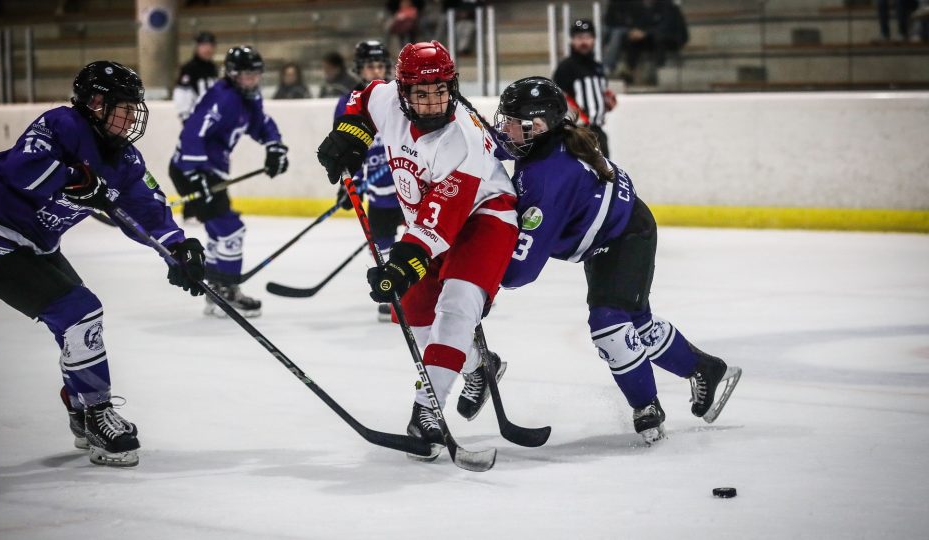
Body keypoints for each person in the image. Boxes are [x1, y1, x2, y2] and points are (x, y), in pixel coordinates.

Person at [0, 61, 206, 467]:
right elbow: (22, 167)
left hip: (36, 245)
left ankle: (81, 409)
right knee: (80, 313)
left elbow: (148, 211)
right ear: (96, 103)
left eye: (135, 108)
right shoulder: (62, 124)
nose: (132, 117)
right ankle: (96, 415)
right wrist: (72, 180)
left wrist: (179, 249)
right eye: (124, 107)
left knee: (78, 321)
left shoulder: (125, 160)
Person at [490, 76, 741, 443]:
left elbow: (519, 272)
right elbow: (501, 146)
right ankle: (706, 369)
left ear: (539, 126)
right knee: (637, 323)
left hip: (625, 238)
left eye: (512, 121)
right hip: (616, 232)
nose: (505, 128)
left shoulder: (547, 179)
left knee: (608, 322)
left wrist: (481, 274)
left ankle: (647, 406)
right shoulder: (545, 146)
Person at [316, 41, 518, 458]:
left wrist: (403, 263)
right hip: (428, 220)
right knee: (416, 314)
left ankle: (426, 412)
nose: (432, 103)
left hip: (485, 217)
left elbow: (440, 221)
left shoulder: (461, 140)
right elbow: (362, 99)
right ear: (403, 91)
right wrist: (349, 136)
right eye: (421, 94)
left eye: (441, 91)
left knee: (458, 304)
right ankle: (480, 365)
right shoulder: (385, 96)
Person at [169, 45, 289, 318]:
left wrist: (274, 146)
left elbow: (261, 123)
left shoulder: (248, 97)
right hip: (193, 170)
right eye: (245, 75)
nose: (251, 80)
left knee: (217, 230)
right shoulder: (223, 99)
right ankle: (227, 290)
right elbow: (193, 131)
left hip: (209, 172)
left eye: (255, 74)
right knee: (232, 230)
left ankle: (214, 289)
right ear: (232, 75)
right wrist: (194, 173)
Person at [333, 40, 403, 322]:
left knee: (423, 238)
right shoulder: (348, 102)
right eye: (369, 66)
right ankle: (391, 292)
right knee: (382, 242)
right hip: (379, 192)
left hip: (408, 185)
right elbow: (345, 149)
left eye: (379, 65)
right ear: (358, 69)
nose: (375, 70)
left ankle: (435, 288)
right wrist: (348, 185)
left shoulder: (399, 95)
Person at [552, 19, 616, 158]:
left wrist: (606, 102)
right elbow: (557, 101)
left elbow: (601, 94)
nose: (584, 42)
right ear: (572, 40)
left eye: (587, 37)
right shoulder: (565, 68)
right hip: (576, 134)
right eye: (579, 38)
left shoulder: (597, 67)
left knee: (605, 177)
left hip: (597, 132)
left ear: (594, 40)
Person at [605, 0, 688, 84]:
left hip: (672, 36)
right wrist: (637, 32)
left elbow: (665, 27)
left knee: (659, 40)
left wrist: (645, 33)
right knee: (634, 40)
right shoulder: (647, 7)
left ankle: (658, 71)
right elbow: (645, 24)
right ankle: (630, 70)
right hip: (653, 35)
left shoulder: (668, 5)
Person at [172, 31, 218, 122]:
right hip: (195, 119)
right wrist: (186, 118)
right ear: (196, 47)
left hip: (211, 118)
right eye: (204, 46)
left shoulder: (213, 68)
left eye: (211, 46)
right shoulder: (189, 68)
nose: (208, 49)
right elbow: (182, 94)